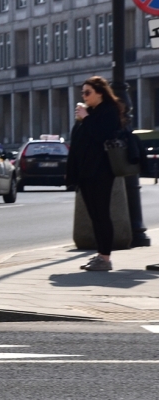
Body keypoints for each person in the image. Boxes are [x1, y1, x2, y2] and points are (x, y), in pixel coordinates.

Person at [66, 76, 125, 272]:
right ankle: (100, 254)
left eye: (87, 92)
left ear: (100, 92)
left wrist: (87, 117)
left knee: (102, 214)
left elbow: (102, 136)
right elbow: (78, 142)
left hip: (101, 171)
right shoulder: (88, 113)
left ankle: (106, 258)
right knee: (94, 215)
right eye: (82, 93)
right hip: (86, 172)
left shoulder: (109, 111)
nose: (84, 96)